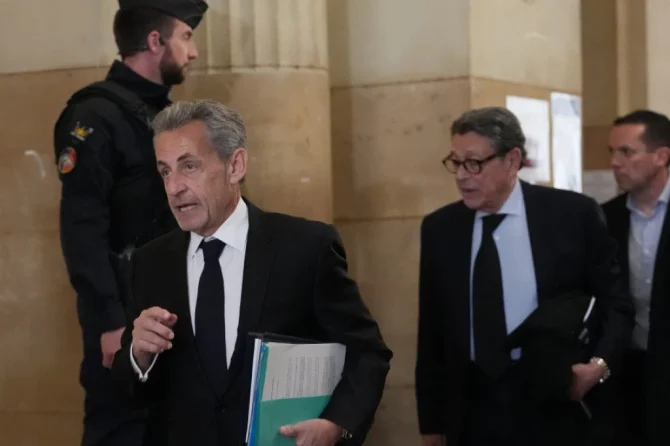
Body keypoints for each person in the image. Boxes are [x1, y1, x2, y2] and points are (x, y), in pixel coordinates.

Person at [109, 99, 393, 446]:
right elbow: (128, 392)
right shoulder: (150, 263)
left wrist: (335, 424)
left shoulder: (305, 248)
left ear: (235, 165)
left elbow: (367, 353)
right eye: (165, 171)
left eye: (189, 166)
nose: (174, 187)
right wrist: (138, 355)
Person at [414, 106, 634, 446]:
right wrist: (431, 426)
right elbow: (432, 331)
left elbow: (615, 301)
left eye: (474, 163)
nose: (462, 176)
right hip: (472, 408)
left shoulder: (571, 214)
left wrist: (598, 366)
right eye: (456, 163)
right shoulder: (441, 228)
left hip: (553, 397)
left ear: (512, 160)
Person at [53, 1, 208, 445]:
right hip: (124, 311)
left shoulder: (166, 116)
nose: (193, 51)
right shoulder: (95, 116)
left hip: (173, 305)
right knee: (121, 430)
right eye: (185, 37)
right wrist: (110, 322)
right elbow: (82, 229)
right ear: (155, 41)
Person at [601, 109, 670, 446]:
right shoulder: (605, 218)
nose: (615, 162)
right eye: (612, 152)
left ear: (661, 156)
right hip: (626, 373)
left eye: (626, 152)